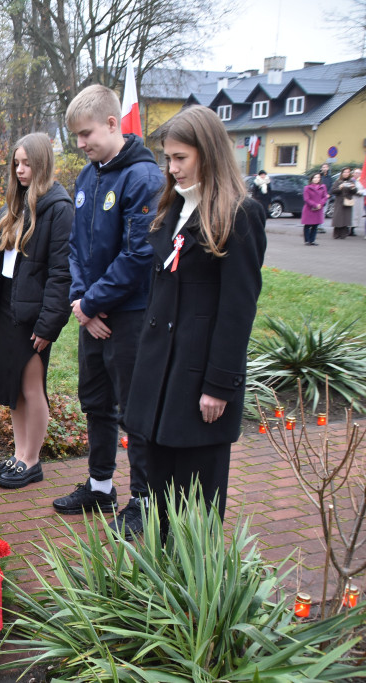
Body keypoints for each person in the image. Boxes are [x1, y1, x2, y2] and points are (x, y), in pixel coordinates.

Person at [123, 105, 267, 526]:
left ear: (208, 153)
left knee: (196, 510)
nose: (172, 168)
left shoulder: (240, 214)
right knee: (161, 502)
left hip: (199, 380)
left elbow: (238, 308)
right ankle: (162, 581)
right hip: (160, 379)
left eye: (180, 158)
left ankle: (190, 584)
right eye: (168, 158)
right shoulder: (173, 208)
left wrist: (219, 386)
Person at [51, 84, 162, 540]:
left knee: (134, 411)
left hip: (130, 316)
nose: (80, 143)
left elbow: (138, 256)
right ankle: (100, 488)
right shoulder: (88, 176)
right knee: (96, 402)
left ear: (114, 124)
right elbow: (76, 248)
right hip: (90, 314)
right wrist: (81, 303)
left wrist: (93, 303)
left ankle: (144, 501)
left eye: (86, 133)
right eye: (76, 135)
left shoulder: (144, 179)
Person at [0, 134, 73, 488]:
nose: (20, 170)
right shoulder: (13, 206)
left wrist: (49, 324)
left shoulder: (59, 209)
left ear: (43, 164)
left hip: (35, 314)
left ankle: (32, 460)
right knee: (15, 386)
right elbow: (0, 263)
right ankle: (20, 454)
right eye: (16, 163)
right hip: (8, 307)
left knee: (32, 385)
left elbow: (61, 273)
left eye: (27, 163)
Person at [301, 173, 328, 246]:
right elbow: (306, 199)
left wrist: (320, 204)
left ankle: (312, 240)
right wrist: (315, 205)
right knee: (307, 225)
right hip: (309, 209)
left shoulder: (323, 187)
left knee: (315, 225)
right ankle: (307, 240)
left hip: (319, 209)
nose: (316, 179)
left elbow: (325, 197)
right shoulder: (307, 187)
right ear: (312, 179)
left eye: (318, 177)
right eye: (315, 177)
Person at [330, 167, 357, 239]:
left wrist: (353, 188)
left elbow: (354, 192)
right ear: (342, 173)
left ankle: (344, 234)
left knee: (346, 218)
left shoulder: (351, 181)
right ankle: (336, 234)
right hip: (339, 201)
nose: (346, 174)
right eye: (345, 172)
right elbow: (333, 191)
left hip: (348, 201)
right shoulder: (338, 181)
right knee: (338, 217)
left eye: (348, 172)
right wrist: (340, 188)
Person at [353, 168, 364, 237]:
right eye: (356, 173)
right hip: (353, 198)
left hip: (360, 199)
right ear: (353, 173)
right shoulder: (352, 180)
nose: (358, 174)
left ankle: (353, 228)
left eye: (359, 173)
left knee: (358, 214)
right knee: (352, 214)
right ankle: (350, 228)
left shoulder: (362, 181)